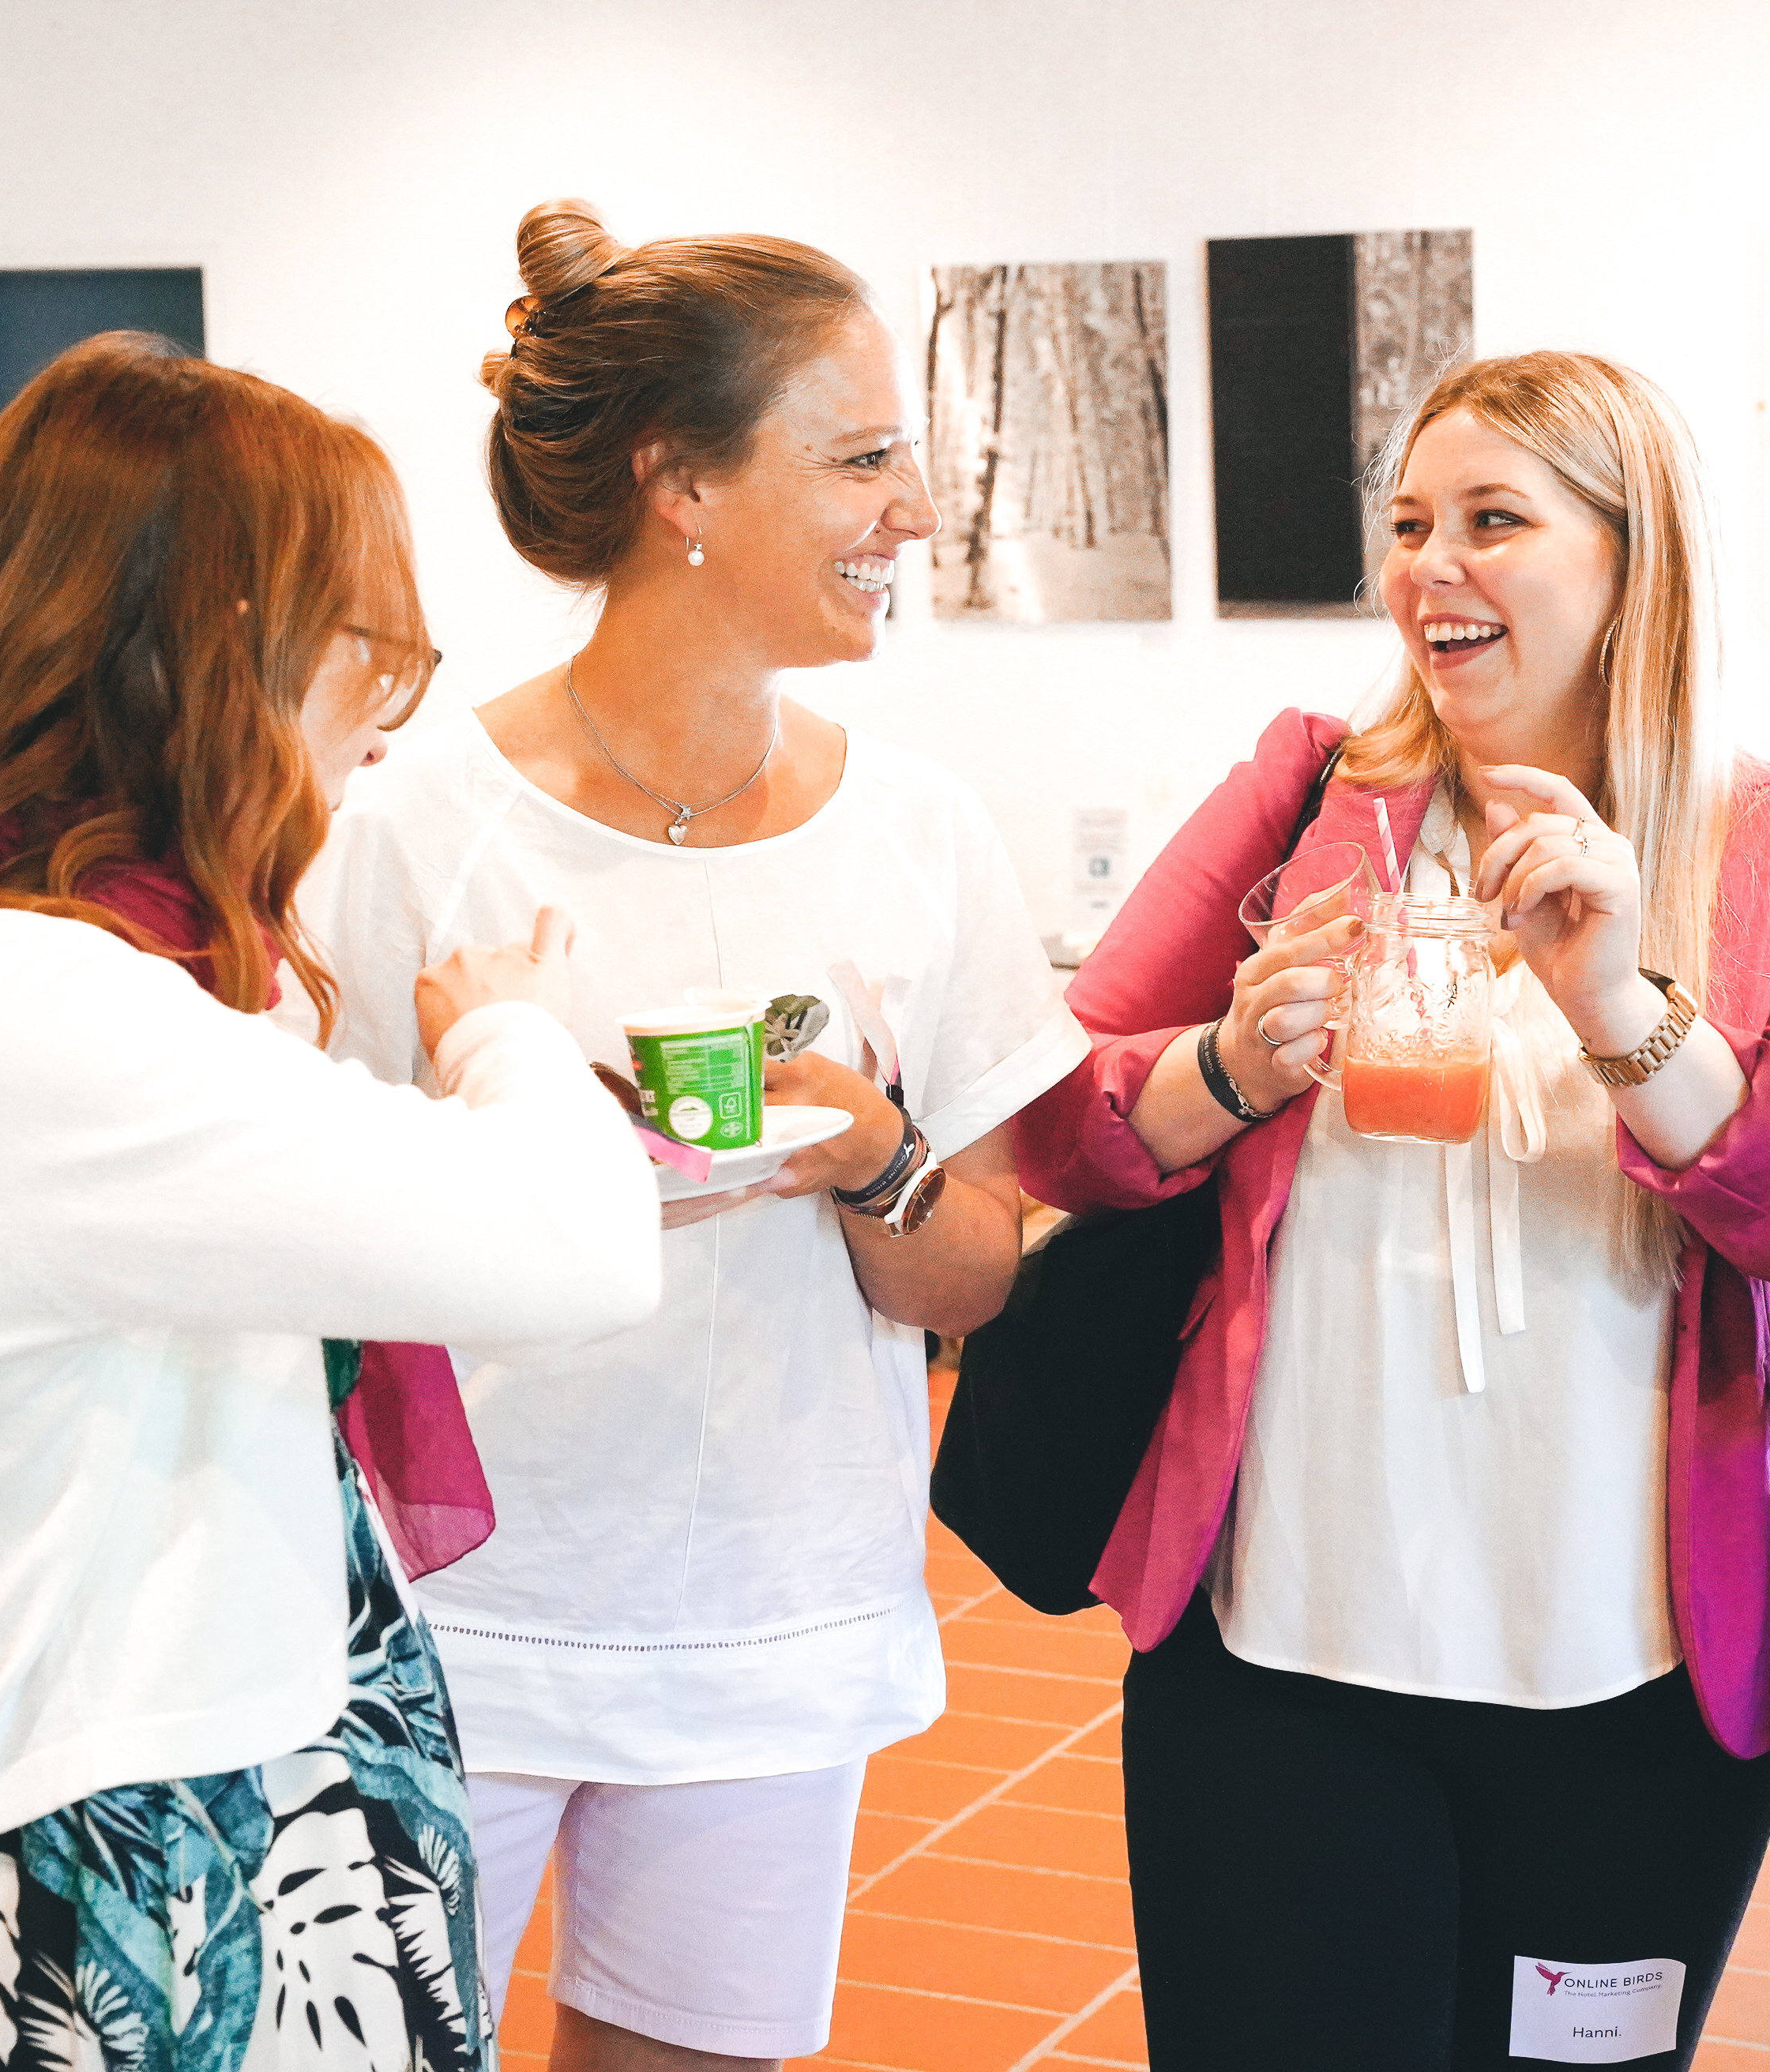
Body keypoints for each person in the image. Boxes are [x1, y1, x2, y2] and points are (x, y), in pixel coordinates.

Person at [0, 332, 664, 2068]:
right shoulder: (19, 1004)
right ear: (217, 647)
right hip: (139, 1863)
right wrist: (522, 1044)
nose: (378, 721)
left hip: (213, 1788)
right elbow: (575, 1242)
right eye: (361, 651)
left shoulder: (29, 965)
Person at [1015, 350, 1770, 2070]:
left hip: (1631, 1672)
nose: (1430, 568)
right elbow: (1057, 1124)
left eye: (1494, 521)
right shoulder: (1308, 793)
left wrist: (1621, 1003)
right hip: (1285, 1647)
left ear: (1632, 557)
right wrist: (1225, 1066)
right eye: (1411, 523)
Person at [299, 202, 1085, 2071]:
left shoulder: (919, 829)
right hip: (458, 1622)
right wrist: (507, 1133)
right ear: (682, 485)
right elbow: (313, 1248)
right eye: (863, 456)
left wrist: (874, 1158)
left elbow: (983, 1263)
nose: (913, 508)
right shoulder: (419, 827)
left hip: (775, 1620)